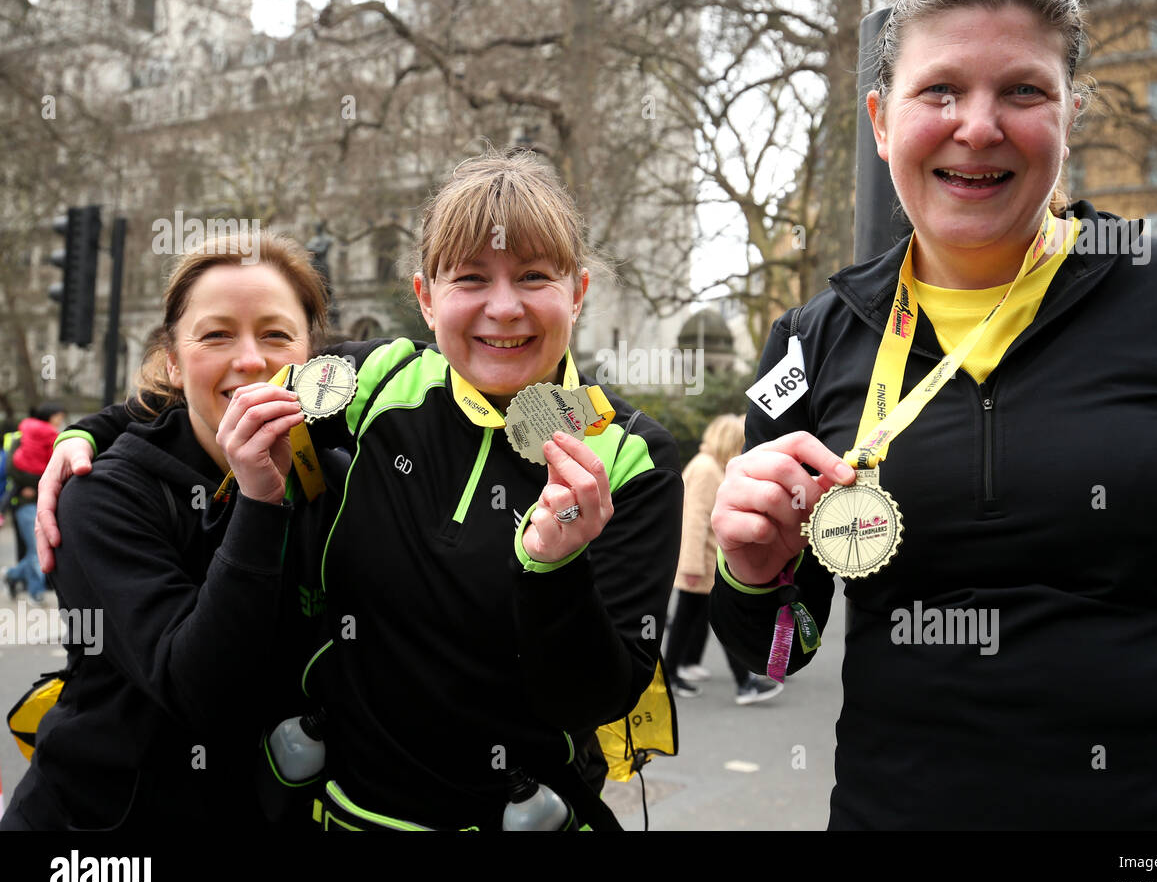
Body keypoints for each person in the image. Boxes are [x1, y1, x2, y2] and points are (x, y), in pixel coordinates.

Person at [710, 0, 1157, 829]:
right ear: (880, 121)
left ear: (1070, 115)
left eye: (1022, 91)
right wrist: (753, 574)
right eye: (939, 90)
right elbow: (779, 653)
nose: (977, 127)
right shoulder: (811, 341)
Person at [36, 150, 683, 830]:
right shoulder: (374, 381)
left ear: (577, 292)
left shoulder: (631, 453)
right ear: (425, 297)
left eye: (533, 276)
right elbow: (233, 388)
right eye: (469, 277)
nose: (503, 306)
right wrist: (85, 434)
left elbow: (592, 702)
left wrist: (555, 572)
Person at [2, 233, 330, 830]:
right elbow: (200, 691)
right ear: (173, 362)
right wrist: (259, 500)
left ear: (316, 358)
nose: (251, 359)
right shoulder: (103, 494)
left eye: (278, 334)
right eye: (216, 335)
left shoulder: (333, 459)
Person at [664, 413, 781, 705]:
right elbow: (694, 520)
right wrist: (691, 566)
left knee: (689, 620)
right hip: (702, 563)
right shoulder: (706, 470)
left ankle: (673, 676)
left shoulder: (707, 465)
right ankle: (744, 683)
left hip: (703, 562)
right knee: (721, 619)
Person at [4, 402, 67, 604]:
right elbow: (54, 470)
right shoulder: (53, 438)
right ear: (50, 416)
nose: (61, 419)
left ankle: (12, 575)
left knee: (35, 548)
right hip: (27, 501)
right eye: (59, 415)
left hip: (31, 499)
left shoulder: (24, 435)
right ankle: (36, 592)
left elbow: (12, 466)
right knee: (37, 548)